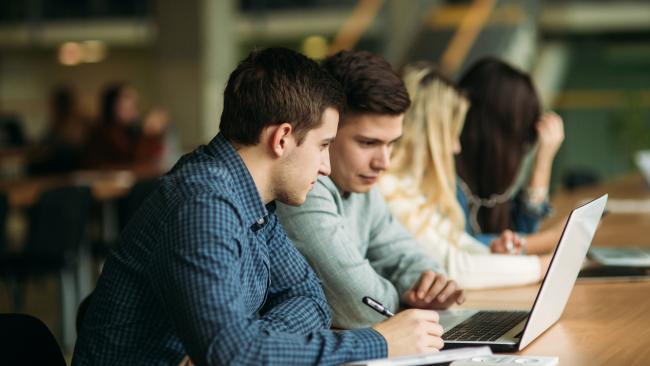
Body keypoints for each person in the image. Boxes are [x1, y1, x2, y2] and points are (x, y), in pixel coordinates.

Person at [72, 47, 445, 365]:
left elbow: (310, 298)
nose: (326, 166)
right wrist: (380, 342)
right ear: (282, 138)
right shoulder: (202, 203)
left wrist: (253, 340)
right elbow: (234, 355)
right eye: (322, 145)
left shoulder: (253, 201)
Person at [276, 50, 464, 330]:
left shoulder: (361, 185)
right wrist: (405, 296)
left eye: (391, 144)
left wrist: (430, 283)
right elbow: (361, 306)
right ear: (326, 130)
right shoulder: (303, 190)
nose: (383, 162)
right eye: (367, 143)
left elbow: (405, 255)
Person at [380, 63, 552, 289]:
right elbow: (454, 268)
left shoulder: (409, 186)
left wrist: (494, 254)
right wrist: (545, 263)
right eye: (452, 134)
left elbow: (458, 245)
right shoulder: (388, 187)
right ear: (430, 135)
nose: (456, 147)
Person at [455, 57, 565, 254]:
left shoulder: (487, 186)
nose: (518, 155)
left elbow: (518, 232)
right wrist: (549, 240)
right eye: (519, 143)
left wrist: (543, 162)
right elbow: (457, 248)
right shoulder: (447, 179)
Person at [84, 82, 169, 168]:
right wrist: (149, 134)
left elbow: (156, 160)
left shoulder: (131, 131)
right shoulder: (103, 133)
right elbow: (134, 164)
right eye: (131, 105)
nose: (136, 112)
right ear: (113, 105)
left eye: (136, 105)